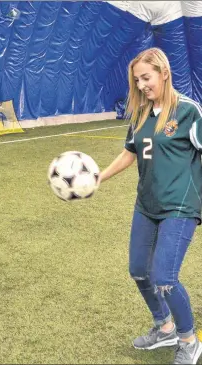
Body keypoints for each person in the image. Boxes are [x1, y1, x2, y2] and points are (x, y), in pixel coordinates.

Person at [99, 47, 202, 364]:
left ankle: (189, 341)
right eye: (137, 80)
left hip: (180, 206)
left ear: (164, 73)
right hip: (147, 204)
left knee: (165, 278)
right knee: (139, 270)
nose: (142, 85)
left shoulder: (188, 111)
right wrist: (99, 176)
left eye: (146, 78)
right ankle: (165, 327)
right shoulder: (141, 113)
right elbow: (130, 152)